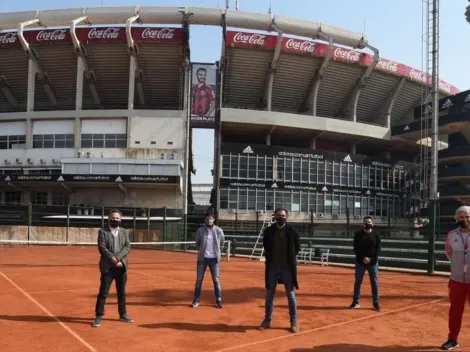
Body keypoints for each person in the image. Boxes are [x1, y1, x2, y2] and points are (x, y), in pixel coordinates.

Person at [258, 208, 300, 333]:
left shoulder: (292, 231)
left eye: (283, 215)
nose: (281, 218)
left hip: (287, 268)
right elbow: (266, 246)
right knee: (269, 295)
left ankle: (293, 321)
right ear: (274, 217)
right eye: (278, 216)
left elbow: (297, 248)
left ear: (286, 216)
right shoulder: (268, 231)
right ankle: (267, 320)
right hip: (272, 268)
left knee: (291, 295)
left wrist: (289, 259)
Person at [92, 209, 133, 327]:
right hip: (107, 268)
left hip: (121, 267)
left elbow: (127, 246)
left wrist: (118, 259)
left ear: (121, 220)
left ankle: (123, 314)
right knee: (103, 293)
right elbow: (102, 247)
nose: (115, 220)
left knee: (122, 293)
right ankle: (99, 316)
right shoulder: (102, 232)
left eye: (117, 218)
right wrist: (113, 259)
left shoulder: (124, 232)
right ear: (108, 219)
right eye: (113, 218)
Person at [440, 205, 470, 351]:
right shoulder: (451, 235)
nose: (464, 219)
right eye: (461, 217)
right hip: (457, 280)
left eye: (467, 216)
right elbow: (448, 253)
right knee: (455, 312)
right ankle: (453, 339)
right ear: (457, 218)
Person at [190, 211, 225, 308]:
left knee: (216, 280)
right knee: (199, 280)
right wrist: (201, 252)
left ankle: (218, 300)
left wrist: (217, 252)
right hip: (203, 259)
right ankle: (196, 300)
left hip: (214, 260)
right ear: (205, 220)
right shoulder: (200, 230)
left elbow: (222, 243)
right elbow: (197, 243)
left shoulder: (219, 230)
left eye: (211, 218)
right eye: (207, 218)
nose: (209, 220)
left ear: (214, 219)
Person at [349, 216, 381, 312]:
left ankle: (376, 303)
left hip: (373, 263)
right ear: (363, 224)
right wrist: (363, 258)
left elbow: (378, 248)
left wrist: (370, 259)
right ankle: (356, 302)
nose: (368, 223)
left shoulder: (376, 235)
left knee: (374, 283)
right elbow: (356, 248)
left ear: (373, 224)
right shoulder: (358, 234)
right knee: (358, 282)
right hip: (360, 262)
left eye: (369, 222)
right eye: (366, 222)